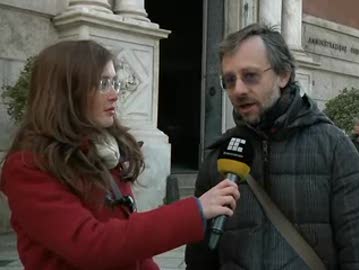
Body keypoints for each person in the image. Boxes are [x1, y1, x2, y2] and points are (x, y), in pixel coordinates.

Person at [0, 40, 241, 270]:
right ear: (67, 91)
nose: (115, 94)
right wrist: (194, 211)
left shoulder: (106, 152)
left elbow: (133, 246)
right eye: (103, 83)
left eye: (115, 83)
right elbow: (92, 245)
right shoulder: (28, 167)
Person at [185, 24, 359, 270]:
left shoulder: (333, 148)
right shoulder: (220, 156)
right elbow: (200, 260)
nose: (237, 90)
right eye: (229, 80)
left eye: (250, 76)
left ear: (283, 75)